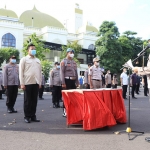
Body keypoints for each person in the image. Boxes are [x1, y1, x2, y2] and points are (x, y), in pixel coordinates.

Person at [19, 43, 42, 123]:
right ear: (28, 50)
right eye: (32, 49)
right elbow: (21, 72)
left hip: (36, 82)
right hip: (27, 83)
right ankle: (27, 116)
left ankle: (33, 116)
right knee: (27, 101)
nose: (33, 50)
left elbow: (39, 72)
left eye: (34, 49)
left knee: (34, 100)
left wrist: (40, 82)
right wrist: (22, 83)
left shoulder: (38, 60)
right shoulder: (24, 59)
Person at [60, 48, 79, 117]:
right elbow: (62, 72)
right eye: (70, 52)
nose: (72, 54)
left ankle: (71, 110)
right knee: (66, 96)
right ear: (67, 53)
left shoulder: (74, 62)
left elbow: (76, 72)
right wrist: (63, 82)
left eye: (73, 52)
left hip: (73, 81)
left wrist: (77, 81)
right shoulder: (63, 61)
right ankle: (65, 111)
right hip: (66, 80)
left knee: (73, 97)